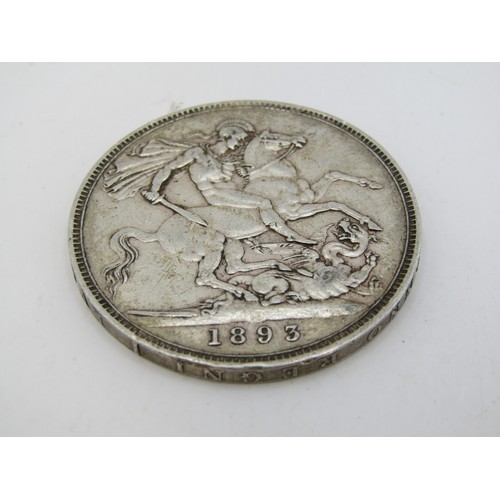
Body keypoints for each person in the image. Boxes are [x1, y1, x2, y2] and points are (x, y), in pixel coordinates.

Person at [142, 119, 315, 245]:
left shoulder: (229, 157)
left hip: (231, 193)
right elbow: (168, 168)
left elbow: (259, 150)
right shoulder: (197, 154)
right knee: (264, 203)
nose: (241, 142)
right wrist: (154, 190)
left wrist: (289, 142)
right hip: (216, 196)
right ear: (228, 135)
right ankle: (290, 234)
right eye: (239, 138)